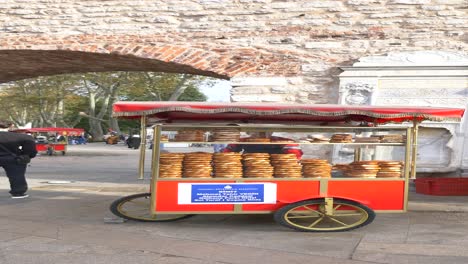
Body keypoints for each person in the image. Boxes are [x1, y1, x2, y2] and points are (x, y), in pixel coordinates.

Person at [0, 120, 37, 199]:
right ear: (10, 126)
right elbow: (31, 150)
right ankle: (18, 193)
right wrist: (27, 155)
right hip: (13, 158)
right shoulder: (22, 137)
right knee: (16, 175)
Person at [223, 132, 303, 158]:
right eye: (256, 131)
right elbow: (226, 155)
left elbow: (295, 155)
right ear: (249, 132)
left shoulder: (281, 141)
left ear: (270, 132)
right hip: (249, 169)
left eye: (265, 132)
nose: (261, 135)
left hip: (277, 170)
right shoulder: (242, 141)